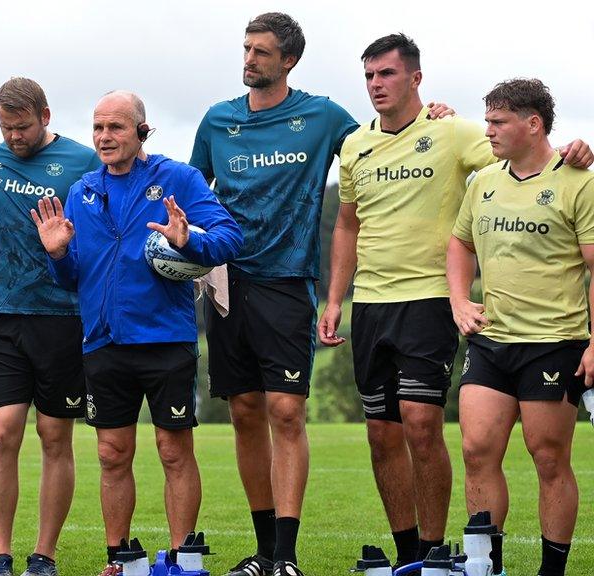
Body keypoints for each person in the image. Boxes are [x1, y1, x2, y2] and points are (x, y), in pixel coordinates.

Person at [318, 34, 593, 570]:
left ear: (415, 78)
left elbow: (536, 161)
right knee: (417, 439)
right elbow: (368, 227)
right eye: (369, 75)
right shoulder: (359, 146)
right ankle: (448, 561)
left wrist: (575, 150)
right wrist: (337, 299)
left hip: (481, 319)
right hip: (407, 313)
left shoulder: (457, 134)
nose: (376, 85)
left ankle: (460, 552)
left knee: (458, 431)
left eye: (387, 74)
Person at [32, 90, 241, 576]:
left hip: (166, 340)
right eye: (98, 128)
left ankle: (183, 559)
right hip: (103, 342)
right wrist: (59, 254)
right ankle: (119, 558)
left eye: (116, 128)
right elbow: (72, 277)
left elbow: (230, 237)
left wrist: (190, 240)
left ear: (141, 131)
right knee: (110, 454)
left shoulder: (179, 179)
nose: (104, 137)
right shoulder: (83, 190)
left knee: (173, 449)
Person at [188, 13, 359, 576]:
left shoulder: (323, 116)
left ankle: (285, 557)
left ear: (288, 60)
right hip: (227, 284)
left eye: (261, 52)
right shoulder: (217, 121)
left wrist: (433, 116)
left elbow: (381, 149)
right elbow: (191, 193)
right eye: (245, 49)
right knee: (243, 412)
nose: (249, 60)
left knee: (286, 411)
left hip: (288, 283)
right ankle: (263, 553)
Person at [447, 78, 594, 576]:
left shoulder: (579, 180)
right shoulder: (484, 181)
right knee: (475, 448)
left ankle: (552, 570)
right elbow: (460, 244)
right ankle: (487, 566)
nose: (487, 130)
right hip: (492, 340)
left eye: (498, 121)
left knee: (548, 457)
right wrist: (459, 300)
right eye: (486, 120)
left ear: (533, 124)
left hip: (554, 343)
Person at [0, 77, 101, 576]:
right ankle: (0, 554)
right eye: (5, 128)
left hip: (62, 317)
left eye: (21, 127)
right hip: (0, 316)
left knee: (53, 436)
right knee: (2, 433)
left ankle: (43, 555)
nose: (13, 138)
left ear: (45, 116)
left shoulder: (83, 161)